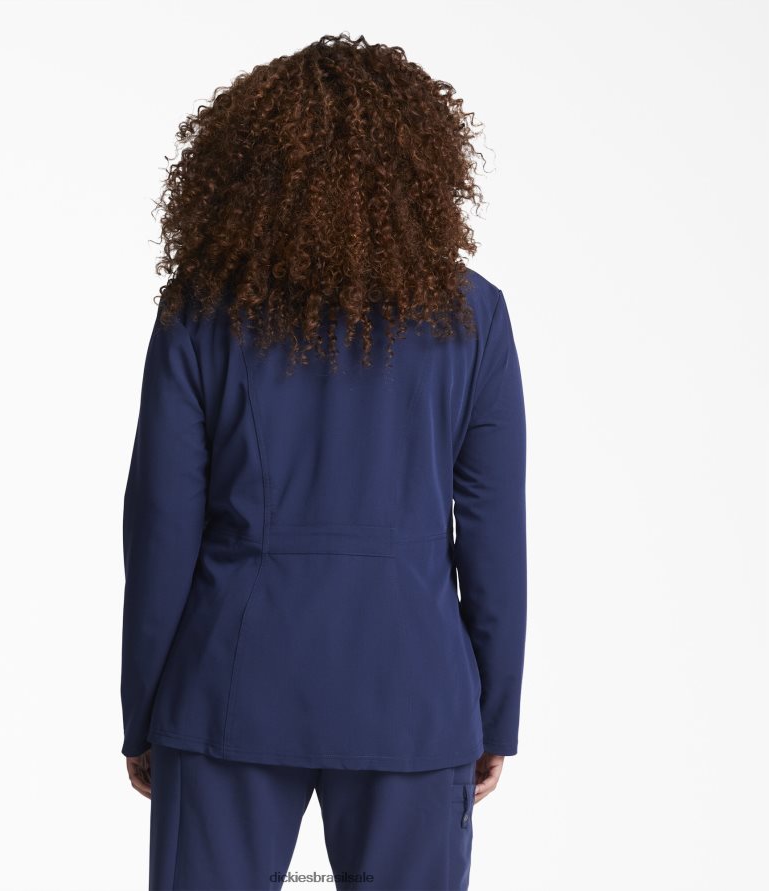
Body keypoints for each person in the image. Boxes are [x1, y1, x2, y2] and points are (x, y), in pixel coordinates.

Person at [120, 32, 527, 891]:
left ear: (247, 165)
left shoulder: (201, 310)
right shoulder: (473, 315)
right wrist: (491, 711)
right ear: (420, 167)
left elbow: (160, 528)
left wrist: (146, 709)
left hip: (229, 686)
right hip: (413, 692)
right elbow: (493, 536)